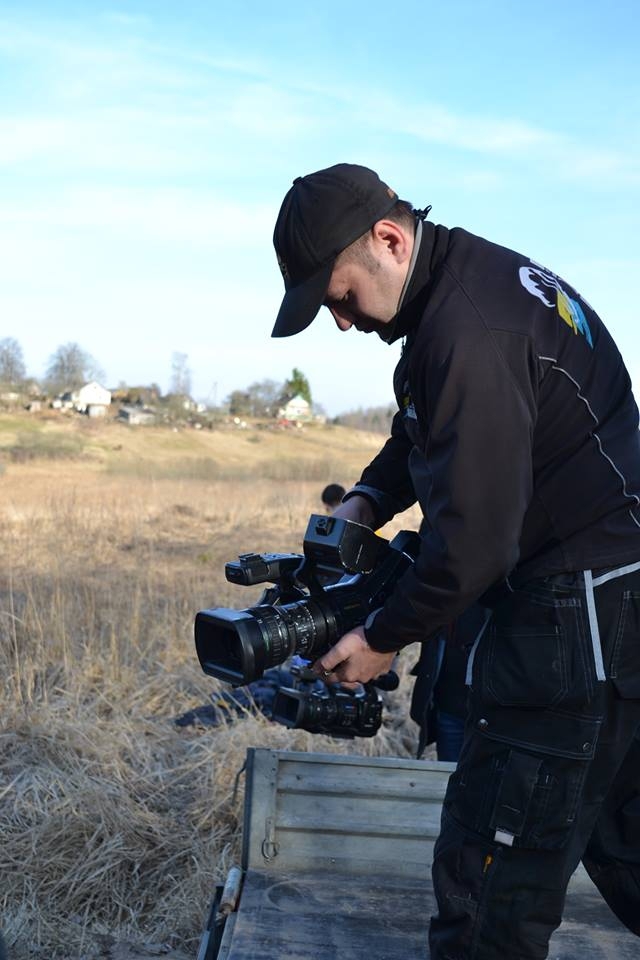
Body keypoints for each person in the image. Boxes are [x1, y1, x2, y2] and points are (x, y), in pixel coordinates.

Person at [269, 162, 640, 959]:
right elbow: (424, 427)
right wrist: (369, 498)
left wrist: (379, 636)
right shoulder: (470, 283)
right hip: (617, 602)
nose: (341, 322)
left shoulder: (467, 328)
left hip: (572, 619)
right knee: (621, 836)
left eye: (339, 297)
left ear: (389, 240)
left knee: (488, 881)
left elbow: (474, 543)